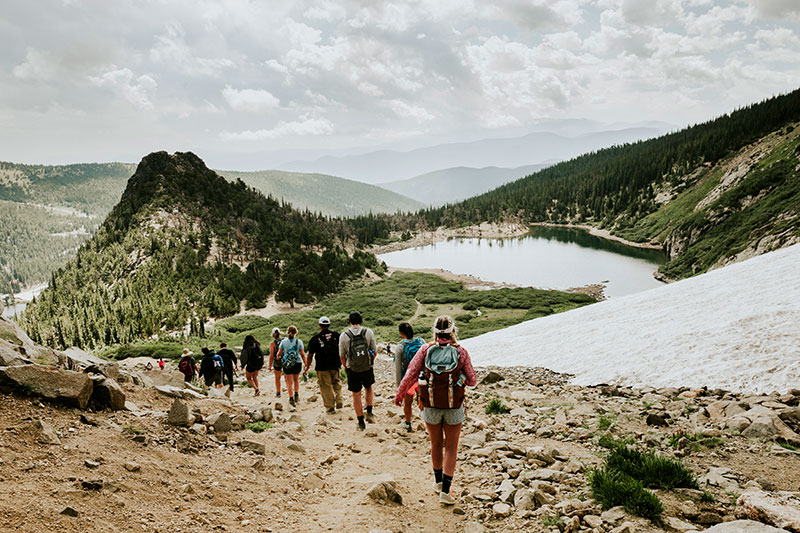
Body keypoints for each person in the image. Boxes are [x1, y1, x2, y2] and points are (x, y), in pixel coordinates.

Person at [394, 315, 476, 505]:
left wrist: (400, 394)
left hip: (429, 404)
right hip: (453, 405)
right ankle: (446, 492)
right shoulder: (461, 352)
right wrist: (460, 377)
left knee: (436, 444)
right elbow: (472, 380)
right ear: (453, 332)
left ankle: (438, 483)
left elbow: (410, 374)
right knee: (452, 447)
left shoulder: (426, 349)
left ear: (435, 332)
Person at [339, 311, 377, 431]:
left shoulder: (344, 335)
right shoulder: (368, 332)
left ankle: (360, 422)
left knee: (356, 394)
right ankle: (369, 412)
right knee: (369, 388)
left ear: (349, 321)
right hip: (367, 367)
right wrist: (369, 361)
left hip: (353, 369)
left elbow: (342, 355)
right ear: (361, 320)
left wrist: (346, 366)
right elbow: (374, 351)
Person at [306, 316, 343, 414]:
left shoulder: (315, 339)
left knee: (325, 386)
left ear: (320, 326)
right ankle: (339, 400)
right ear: (329, 325)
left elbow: (310, 355)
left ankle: (330, 407)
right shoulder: (336, 335)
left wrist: (307, 366)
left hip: (322, 367)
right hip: (335, 364)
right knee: (336, 382)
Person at [393, 322, 425, 432]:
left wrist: (399, 389)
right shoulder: (421, 342)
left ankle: (408, 423)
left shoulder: (400, 347)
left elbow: (397, 369)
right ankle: (429, 424)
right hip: (422, 378)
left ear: (401, 333)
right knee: (424, 401)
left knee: (408, 403)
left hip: (408, 379)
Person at [276, 325, 306, 407]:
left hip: (287, 364)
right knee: (296, 380)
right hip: (297, 362)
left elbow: (278, 354)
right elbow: (303, 354)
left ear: (287, 332)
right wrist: (306, 364)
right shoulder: (299, 342)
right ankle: (296, 395)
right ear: (296, 333)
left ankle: (291, 398)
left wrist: (280, 358)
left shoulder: (284, 342)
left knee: (289, 382)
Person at [268, 328, 284, 397]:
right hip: (286, 361)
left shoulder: (272, 344)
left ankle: (278, 392)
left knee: (277, 378)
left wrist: (269, 366)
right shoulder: (285, 340)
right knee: (288, 377)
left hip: (277, 363)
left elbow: (271, 356)